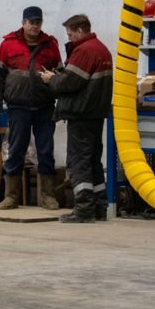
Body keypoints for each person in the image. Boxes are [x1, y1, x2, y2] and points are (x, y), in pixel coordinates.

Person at [0, 5, 61, 206]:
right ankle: (11, 196)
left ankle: (47, 195)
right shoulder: (8, 45)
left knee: (45, 150)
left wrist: (62, 104)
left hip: (44, 107)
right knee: (16, 149)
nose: (34, 27)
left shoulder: (51, 46)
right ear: (23, 23)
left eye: (38, 23)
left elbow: (60, 77)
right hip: (18, 107)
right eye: (31, 22)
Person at [49, 14, 113, 223]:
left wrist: (52, 79)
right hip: (96, 114)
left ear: (80, 30)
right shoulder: (102, 49)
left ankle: (84, 210)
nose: (70, 38)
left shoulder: (85, 50)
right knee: (93, 161)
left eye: (70, 34)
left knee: (79, 162)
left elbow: (70, 82)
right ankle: (99, 207)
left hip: (81, 114)